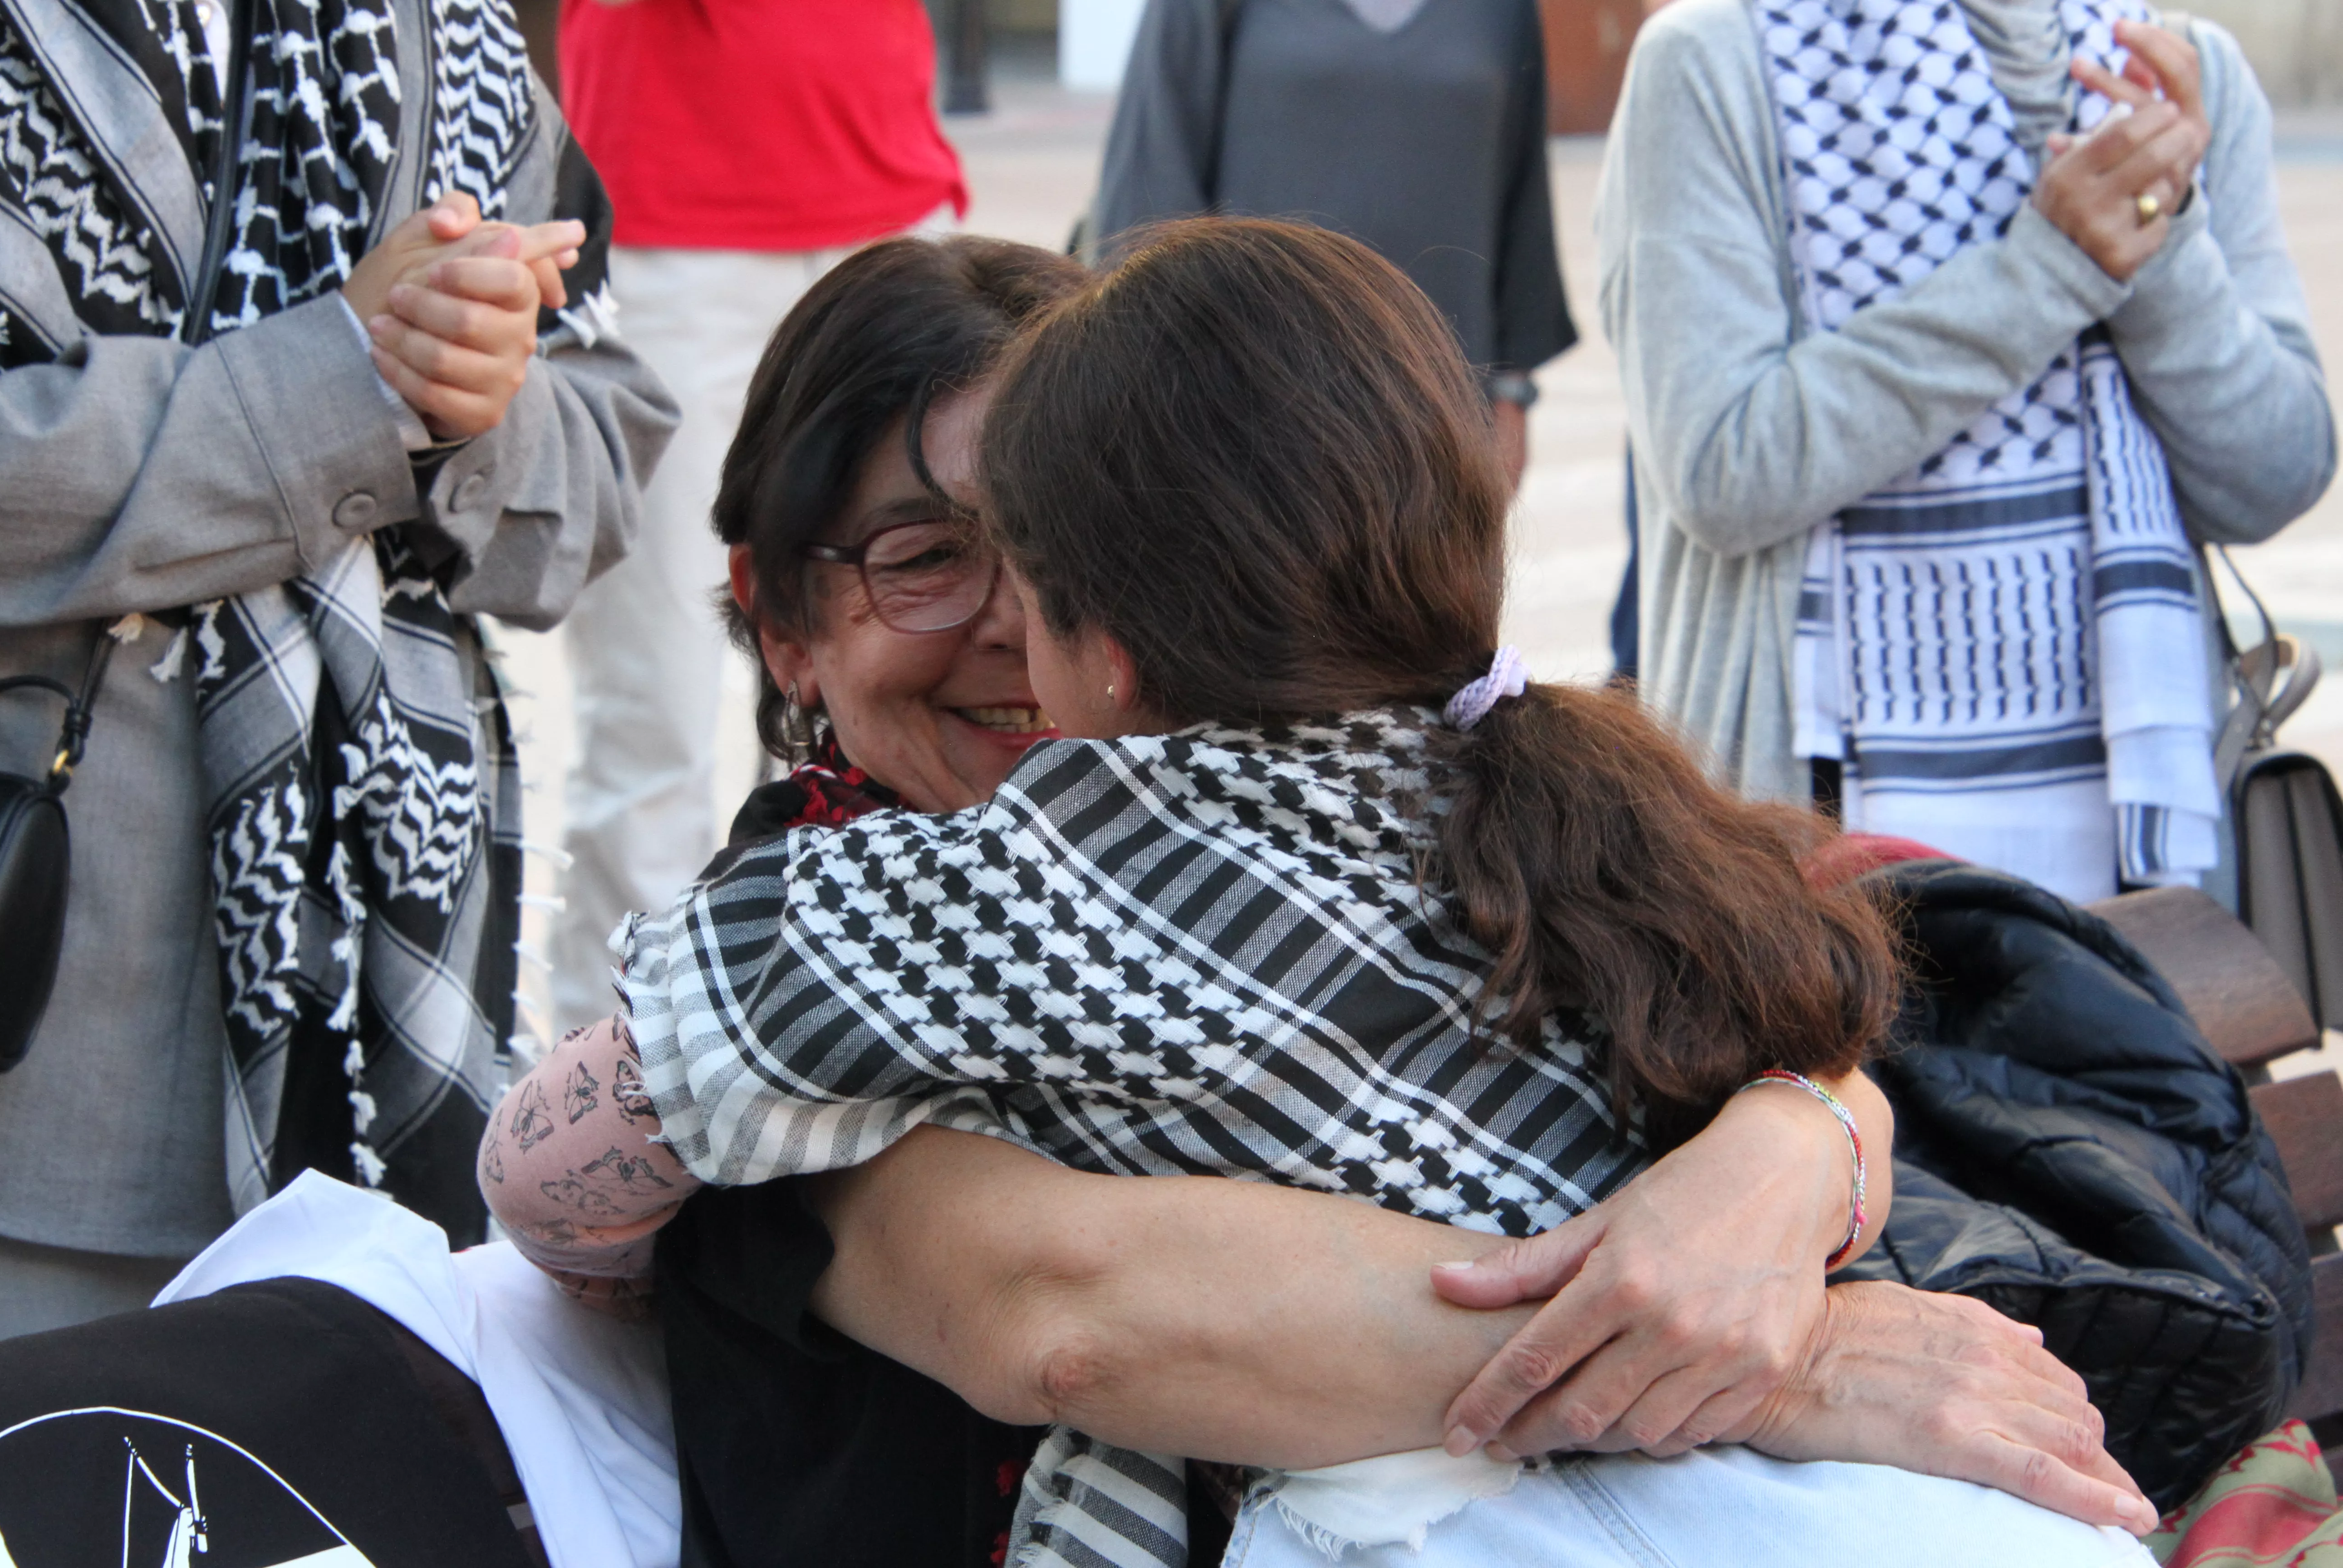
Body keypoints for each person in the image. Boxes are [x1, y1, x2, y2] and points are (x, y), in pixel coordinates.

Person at [492, 223, 2165, 1566]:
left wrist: (1791, 1147)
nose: (1007, 624)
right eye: (930, 558)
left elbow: (1780, 1026)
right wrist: (1771, 1364)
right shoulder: (841, 937)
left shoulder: (1493, 781)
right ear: (780, 619)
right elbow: (1073, 1314)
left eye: (1048, 549)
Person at [0, 0, 676, 1341]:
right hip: (50, 1062)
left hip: (381, 1038)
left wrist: (469, 402)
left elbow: (597, 474)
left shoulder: (449, 42)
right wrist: (343, 380)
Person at [1610, 0, 2335, 904]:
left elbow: (2276, 474)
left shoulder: (2180, 73)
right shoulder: (1715, 63)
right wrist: (2051, 270)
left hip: (2141, 859)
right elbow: (1723, 469)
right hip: (1816, 862)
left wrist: (2163, 229)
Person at [546, 0, 968, 1028]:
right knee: (656, 712)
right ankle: (613, 1108)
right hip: (669, 214)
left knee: (903, 687)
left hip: (882, 177)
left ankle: (852, 1054)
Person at [1092, 0, 1567, 490]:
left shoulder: (1504, 11)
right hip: (1246, 407)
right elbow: (1151, 180)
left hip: (1438, 414)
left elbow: (1521, 197)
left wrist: (1513, 390)